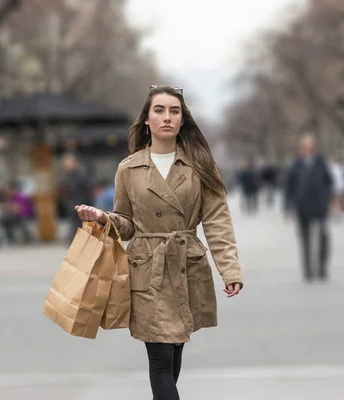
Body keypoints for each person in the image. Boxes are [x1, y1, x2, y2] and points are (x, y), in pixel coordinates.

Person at [75, 85, 243, 400]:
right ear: (147, 121)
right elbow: (126, 225)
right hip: (147, 268)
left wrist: (230, 269)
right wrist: (102, 217)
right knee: (161, 358)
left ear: (182, 121)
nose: (167, 117)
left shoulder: (200, 166)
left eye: (174, 111)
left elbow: (218, 220)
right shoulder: (129, 168)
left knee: (174, 348)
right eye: (159, 110)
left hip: (185, 266)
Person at [284, 134, 333, 283]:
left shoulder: (321, 162)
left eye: (310, 146)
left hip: (319, 206)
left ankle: (322, 268)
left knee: (324, 237)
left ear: (313, 147)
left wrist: (327, 198)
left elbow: (329, 182)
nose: (307, 149)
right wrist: (288, 208)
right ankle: (307, 270)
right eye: (304, 146)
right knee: (304, 240)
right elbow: (289, 187)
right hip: (302, 207)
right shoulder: (296, 164)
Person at [63, 153, 94, 244]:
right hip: (75, 206)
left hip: (81, 206)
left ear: (74, 162)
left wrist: (81, 204)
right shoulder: (71, 176)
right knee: (76, 228)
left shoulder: (81, 175)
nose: (66, 165)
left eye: (68, 163)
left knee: (82, 228)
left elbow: (86, 192)